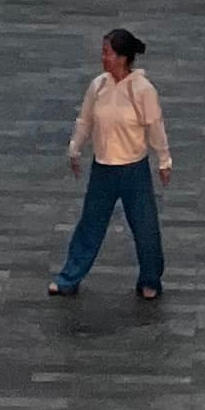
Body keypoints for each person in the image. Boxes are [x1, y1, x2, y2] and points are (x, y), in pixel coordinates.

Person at [55, 24, 173, 300]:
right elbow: (85, 120)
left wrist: (164, 161)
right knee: (90, 226)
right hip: (103, 169)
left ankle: (150, 279)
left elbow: (155, 126)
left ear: (122, 57)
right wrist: (75, 148)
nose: (103, 57)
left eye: (107, 53)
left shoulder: (143, 90)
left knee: (145, 228)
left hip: (134, 169)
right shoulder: (98, 86)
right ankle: (69, 278)